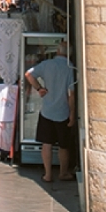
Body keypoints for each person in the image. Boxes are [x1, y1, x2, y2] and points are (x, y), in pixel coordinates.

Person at [24, 41, 76, 182]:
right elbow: (71, 94)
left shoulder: (47, 64)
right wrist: (72, 113)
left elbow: (28, 74)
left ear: (58, 51)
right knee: (63, 146)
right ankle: (63, 173)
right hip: (63, 111)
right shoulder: (70, 68)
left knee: (46, 143)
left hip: (47, 110)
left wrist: (39, 88)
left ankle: (47, 174)